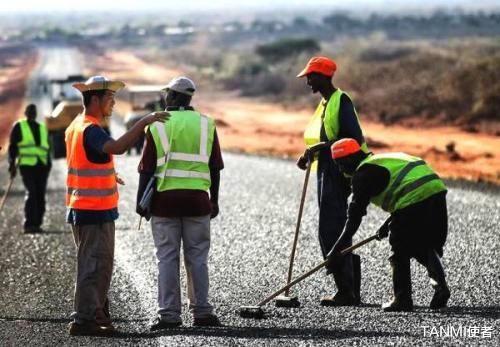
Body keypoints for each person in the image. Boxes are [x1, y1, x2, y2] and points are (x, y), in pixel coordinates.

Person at [66, 75, 169, 336]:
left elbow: (87, 162)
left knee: (97, 263)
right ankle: (84, 319)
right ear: (96, 99)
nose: (113, 103)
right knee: (94, 265)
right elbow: (117, 147)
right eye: (110, 98)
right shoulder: (90, 129)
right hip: (93, 209)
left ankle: (96, 312)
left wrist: (109, 175)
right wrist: (144, 122)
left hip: (86, 206)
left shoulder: (77, 126)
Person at [136, 76, 224, 330]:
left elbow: (146, 169)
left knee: (166, 258)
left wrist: (141, 202)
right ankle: (203, 312)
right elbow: (215, 167)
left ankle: (169, 316)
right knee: (197, 258)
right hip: (198, 201)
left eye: (167, 94)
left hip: (164, 203)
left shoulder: (157, 125)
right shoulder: (206, 124)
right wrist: (214, 200)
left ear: (173, 97)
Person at [327, 138, 450, 312]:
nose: (340, 169)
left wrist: (335, 251)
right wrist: (388, 223)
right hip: (436, 190)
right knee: (423, 244)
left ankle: (402, 299)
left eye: (340, 164)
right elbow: (402, 186)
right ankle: (440, 287)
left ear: (349, 158)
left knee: (398, 246)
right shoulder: (379, 161)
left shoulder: (362, 175)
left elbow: (354, 218)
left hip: (414, 198)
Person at [296, 56, 369, 306]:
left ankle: (347, 290)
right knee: (331, 227)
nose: (307, 82)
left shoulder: (341, 100)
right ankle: (347, 288)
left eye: (311, 76)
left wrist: (316, 149)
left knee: (333, 227)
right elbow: (324, 138)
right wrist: (312, 152)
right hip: (326, 168)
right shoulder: (325, 103)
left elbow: (350, 140)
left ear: (324, 76)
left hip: (339, 170)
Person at [7, 104, 51, 233]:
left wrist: (48, 164)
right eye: (30, 110)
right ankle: (29, 224)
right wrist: (11, 165)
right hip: (26, 165)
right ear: (26, 112)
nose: (32, 112)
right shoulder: (19, 126)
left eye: (34, 111)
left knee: (40, 195)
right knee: (31, 193)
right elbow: (13, 147)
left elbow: (47, 148)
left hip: (42, 166)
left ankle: (37, 224)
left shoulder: (42, 128)